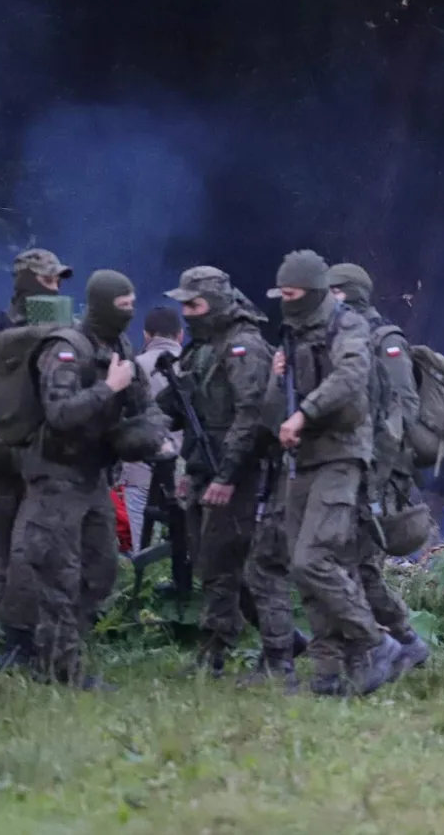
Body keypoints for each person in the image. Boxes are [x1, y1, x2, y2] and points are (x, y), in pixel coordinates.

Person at [21, 269, 173, 688]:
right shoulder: (66, 349)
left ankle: (56, 653)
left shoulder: (120, 345)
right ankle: (62, 671)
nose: (128, 314)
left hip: (94, 476)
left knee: (102, 570)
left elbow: (144, 403)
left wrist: (151, 432)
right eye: (121, 307)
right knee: (59, 573)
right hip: (56, 476)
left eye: (131, 306)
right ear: (102, 305)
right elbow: (60, 414)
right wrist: (108, 388)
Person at [265, 249, 399, 696]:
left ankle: (375, 642)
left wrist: (302, 414)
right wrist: (274, 377)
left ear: (314, 291)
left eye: (292, 294)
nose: (285, 302)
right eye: (281, 294)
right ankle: (327, 672)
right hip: (301, 459)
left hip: (341, 456)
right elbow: (271, 411)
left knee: (314, 558)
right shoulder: (292, 332)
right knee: (301, 567)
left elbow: (350, 377)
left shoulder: (348, 325)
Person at [160, 267, 301, 686]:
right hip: (208, 468)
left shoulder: (243, 347)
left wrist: (226, 474)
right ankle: (283, 640)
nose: (186, 313)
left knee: (221, 564)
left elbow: (251, 415)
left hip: (238, 473)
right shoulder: (202, 347)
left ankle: (216, 652)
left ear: (216, 302)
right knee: (209, 560)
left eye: (194, 304)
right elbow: (183, 406)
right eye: (183, 305)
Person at [327, 262, 430, 676]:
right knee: (355, 564)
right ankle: (401, 641)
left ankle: (373, 649)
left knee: (353, 561)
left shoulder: (384, 340)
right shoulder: (340, 338)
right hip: (349, 465)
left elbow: (403, 412)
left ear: (347, 293)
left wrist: (377, 477)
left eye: (331, 292)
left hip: (377, 472)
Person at [0, 248, 71, 674]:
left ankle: (32, 642)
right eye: (48, 279)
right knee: (9, 555)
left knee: (28, 552)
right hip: (4, 457)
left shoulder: (59, 328)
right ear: (27, 282)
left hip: (39, 455)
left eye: (58, 280)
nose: (56, 287)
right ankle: (18, 643)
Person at [119, 305, 184, 550]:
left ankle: (144, 585)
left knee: (143, 546)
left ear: (146, 335)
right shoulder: (194, 366)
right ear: (180, 335)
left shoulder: (131, 367)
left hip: (139, 469)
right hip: (184, 471)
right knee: (183, 544)